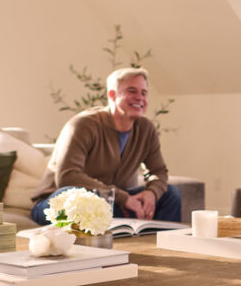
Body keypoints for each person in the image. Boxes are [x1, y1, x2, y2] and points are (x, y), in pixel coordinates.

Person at [31, 67, 182, 224]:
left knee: (171, 195)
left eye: (144, 93)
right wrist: (123, 198)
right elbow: (68, 177)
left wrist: (152, 192)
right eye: (132, 91)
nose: (140, 98)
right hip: (56, 203)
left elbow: (158, 171)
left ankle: (157, 245)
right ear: (112, 94)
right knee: (76, 198)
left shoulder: (146, 129)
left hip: (109, 203)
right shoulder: (83, 125)